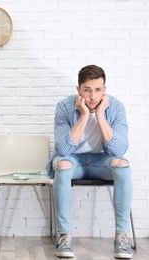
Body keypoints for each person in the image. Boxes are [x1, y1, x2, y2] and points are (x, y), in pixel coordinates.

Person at [46, 65, 133, 259]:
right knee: (62, 165)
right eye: (87, 90)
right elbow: (63, 150)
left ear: (104, 89)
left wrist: (100, 115)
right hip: (73, 160)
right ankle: (65, 236)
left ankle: (121, 236)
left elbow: (119, 151)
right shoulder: (64, 107)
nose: (92, 96)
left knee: (123, 165)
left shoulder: (116, 107)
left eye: (97, 89)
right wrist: (84, 115)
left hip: (101, 160)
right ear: (78, 90)